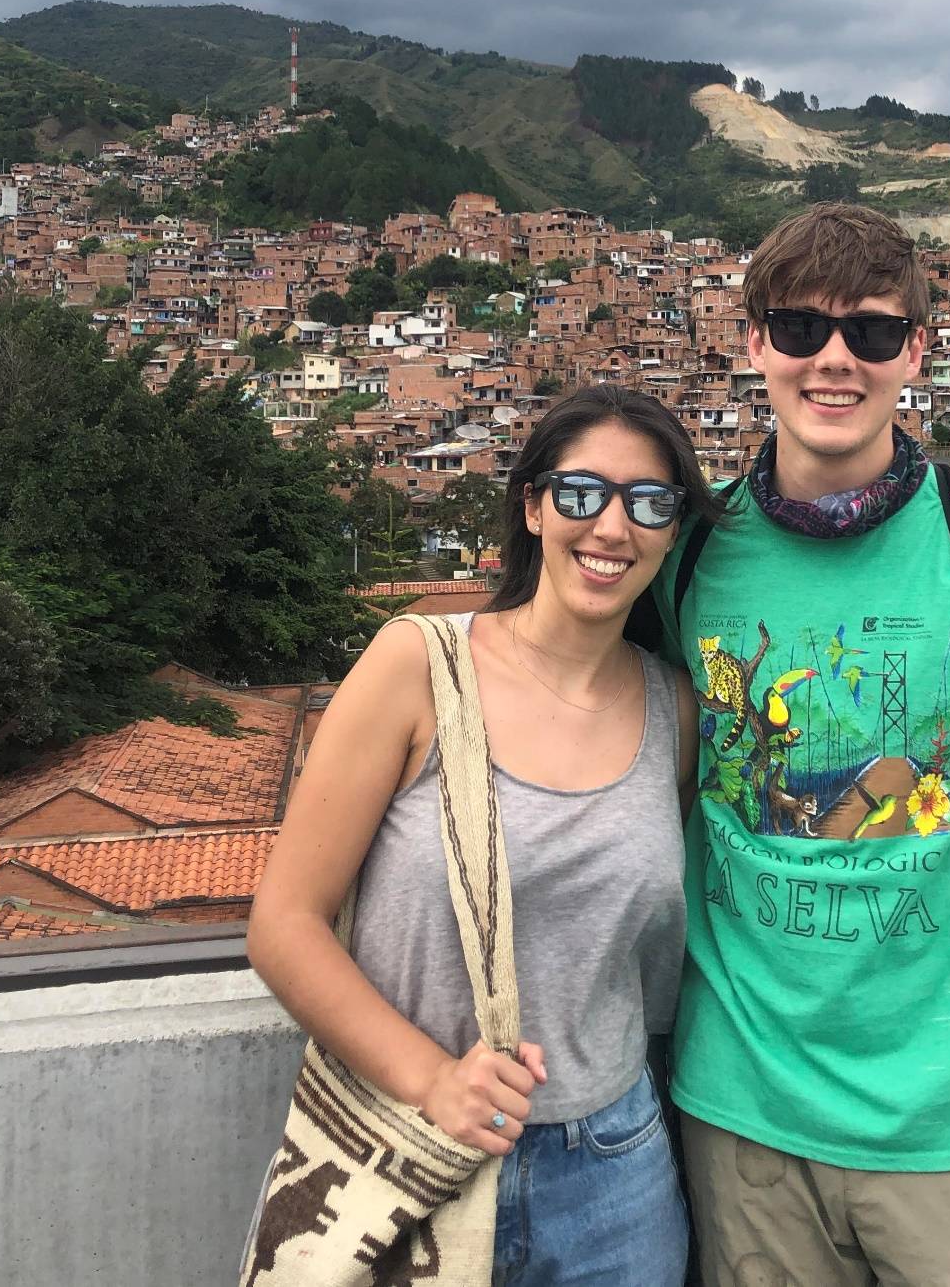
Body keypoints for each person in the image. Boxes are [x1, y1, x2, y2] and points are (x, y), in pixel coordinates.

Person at [651, 204, 950, 1287]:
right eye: (800, 329)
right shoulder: (688, 553)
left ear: (915, 350)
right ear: (753, 343)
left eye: (868, 332)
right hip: (742, 1121)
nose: (833, 360)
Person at [246, 383, 718, 1287]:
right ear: (534, 506)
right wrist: (431, 1079)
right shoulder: (417, 665)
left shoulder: (675, 714)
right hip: (417, 1152)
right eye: (581, 494)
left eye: (648, 502)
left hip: (617, 1174)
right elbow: (284, 923)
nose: (611, 528)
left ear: (671, 531)